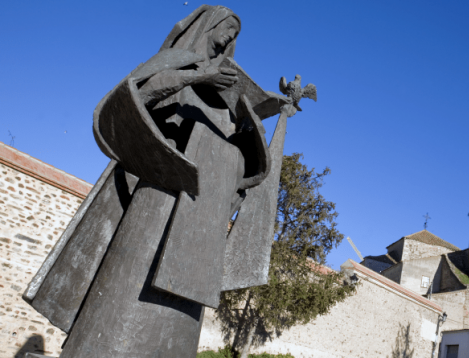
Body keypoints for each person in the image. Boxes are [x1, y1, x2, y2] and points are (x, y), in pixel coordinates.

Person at [25, 6, 288, 357]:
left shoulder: (224, 103)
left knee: (174, 328)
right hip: (156, 196)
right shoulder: (176, 60)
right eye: (226, 27)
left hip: (199, 224)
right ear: (207, 25)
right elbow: (136, 95)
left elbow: (239, 164)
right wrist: (196, 77)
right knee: (122, 306)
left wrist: (259, 130)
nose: (229, 37)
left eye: (235, 34)